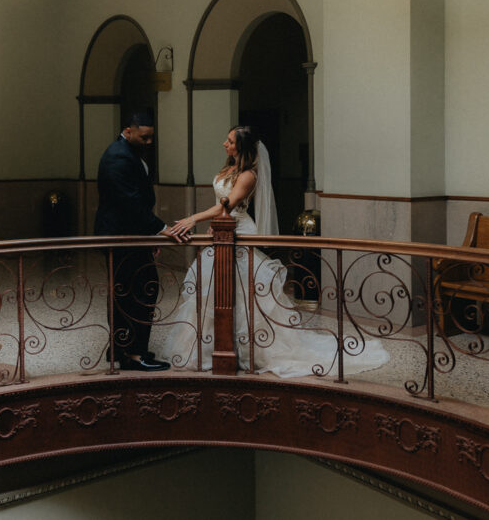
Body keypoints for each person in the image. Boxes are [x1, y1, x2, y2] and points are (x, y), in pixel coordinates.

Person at [158, 126, 390, 377]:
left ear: (242, 147)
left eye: (229, 141)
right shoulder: (229, 168)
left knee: (242, 290)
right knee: (215, 289)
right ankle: (213, 346)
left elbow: (230, 204)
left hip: (239, 231)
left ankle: (247, 349)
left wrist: (193, 219)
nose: (224, 144)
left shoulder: (248, 175)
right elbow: (220, 206)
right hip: (221, 230)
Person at [94, 111, 179, 371]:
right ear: (128, 131)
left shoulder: (129, 152)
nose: (149, 142)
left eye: (151, 137)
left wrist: (149, 236)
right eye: (144, 137)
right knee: (138, 293)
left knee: (133, 293)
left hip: (132, 237)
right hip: (122, 239)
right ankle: (133, 354)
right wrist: (161, 229)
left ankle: (122, 349)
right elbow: (130, 204)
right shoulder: (117, 156)